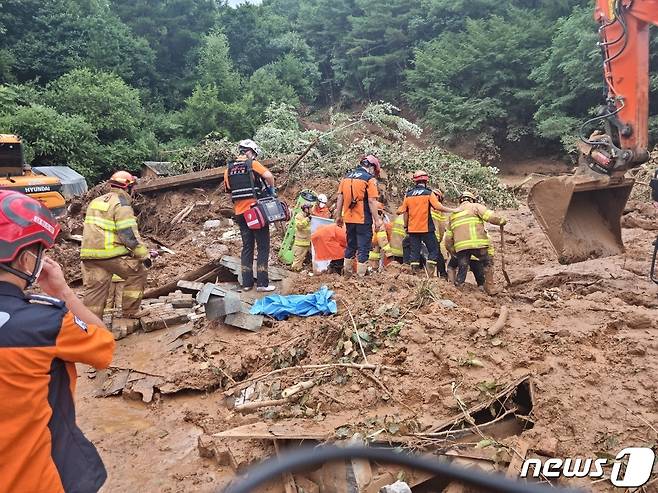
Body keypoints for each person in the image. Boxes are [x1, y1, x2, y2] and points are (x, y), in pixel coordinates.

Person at [0, 190, 115, 493]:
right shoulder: (44, 323)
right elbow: (104, 346)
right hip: (40, 478)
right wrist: (62, 292)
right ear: (26, 258)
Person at [80, 170, 149, 323]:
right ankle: (130, 311)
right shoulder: (121, 204)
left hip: (88, 255)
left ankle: (90, 323)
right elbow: (128, 235)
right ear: (128, 187)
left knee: (95, 289)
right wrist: (143, 255)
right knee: (138, 272)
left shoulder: (96, 201)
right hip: (110, 255)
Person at [224, 139, 276, 292]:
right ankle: (262, 284)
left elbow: (228, 189)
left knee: (247, 247)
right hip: (255, 212)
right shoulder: (252, 164)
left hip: (240, 213)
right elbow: (269, 176)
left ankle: (246, 284)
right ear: (251, 152)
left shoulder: (228, 169)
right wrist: (271, 190)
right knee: (263, 246)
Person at [444, 191, 507, 294]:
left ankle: (459, 288)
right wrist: (501, 221)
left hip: (461, 247)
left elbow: (448, 238)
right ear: (472, 199)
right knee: (487, 262)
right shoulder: (475, 206)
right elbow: (490, 217)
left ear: (460, 201)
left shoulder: (453, 214)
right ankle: (490, 288)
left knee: (463, 265)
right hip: (478, 244)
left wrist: (452, 251)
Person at [397, 171, 457, 274]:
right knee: (434, 250)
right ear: (426, 181)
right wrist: (454, 210)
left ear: (415, 181)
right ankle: (430, 272)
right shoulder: (428, 193)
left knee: (414, 253)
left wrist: (406, 226)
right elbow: (438, 207)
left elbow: (402, 211)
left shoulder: (408, 195)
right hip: (426, 228)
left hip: (412, 229)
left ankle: (414, 274)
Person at [335, 155, 382, 277]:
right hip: (363, 219)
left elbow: (340, 197)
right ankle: (361, 278)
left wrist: (338, 216)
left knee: (350, 246)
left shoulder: (346, 177)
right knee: (363, 247)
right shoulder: (369, 179)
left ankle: (347, 275)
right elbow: (372, 201)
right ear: (371, 167)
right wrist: (377, 221)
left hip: (349, 219)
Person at [430, 188, 449, 278]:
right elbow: (442, 226)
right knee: (437, 255)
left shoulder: (424, 204)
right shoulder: (439, 208)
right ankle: (442, 274)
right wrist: (440, 238)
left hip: (420, 233)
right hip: (433, 236)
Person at [291, 202, 312, 272]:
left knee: (302, 258)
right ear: (306, 209)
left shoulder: (309, 216)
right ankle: (294, 273)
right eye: (310, 208)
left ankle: (298, 270)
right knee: (298, 259)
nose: (311, 209)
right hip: (300, 242)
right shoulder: (299, 216)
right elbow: (299, 226)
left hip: (306, 242)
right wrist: (307, 219)